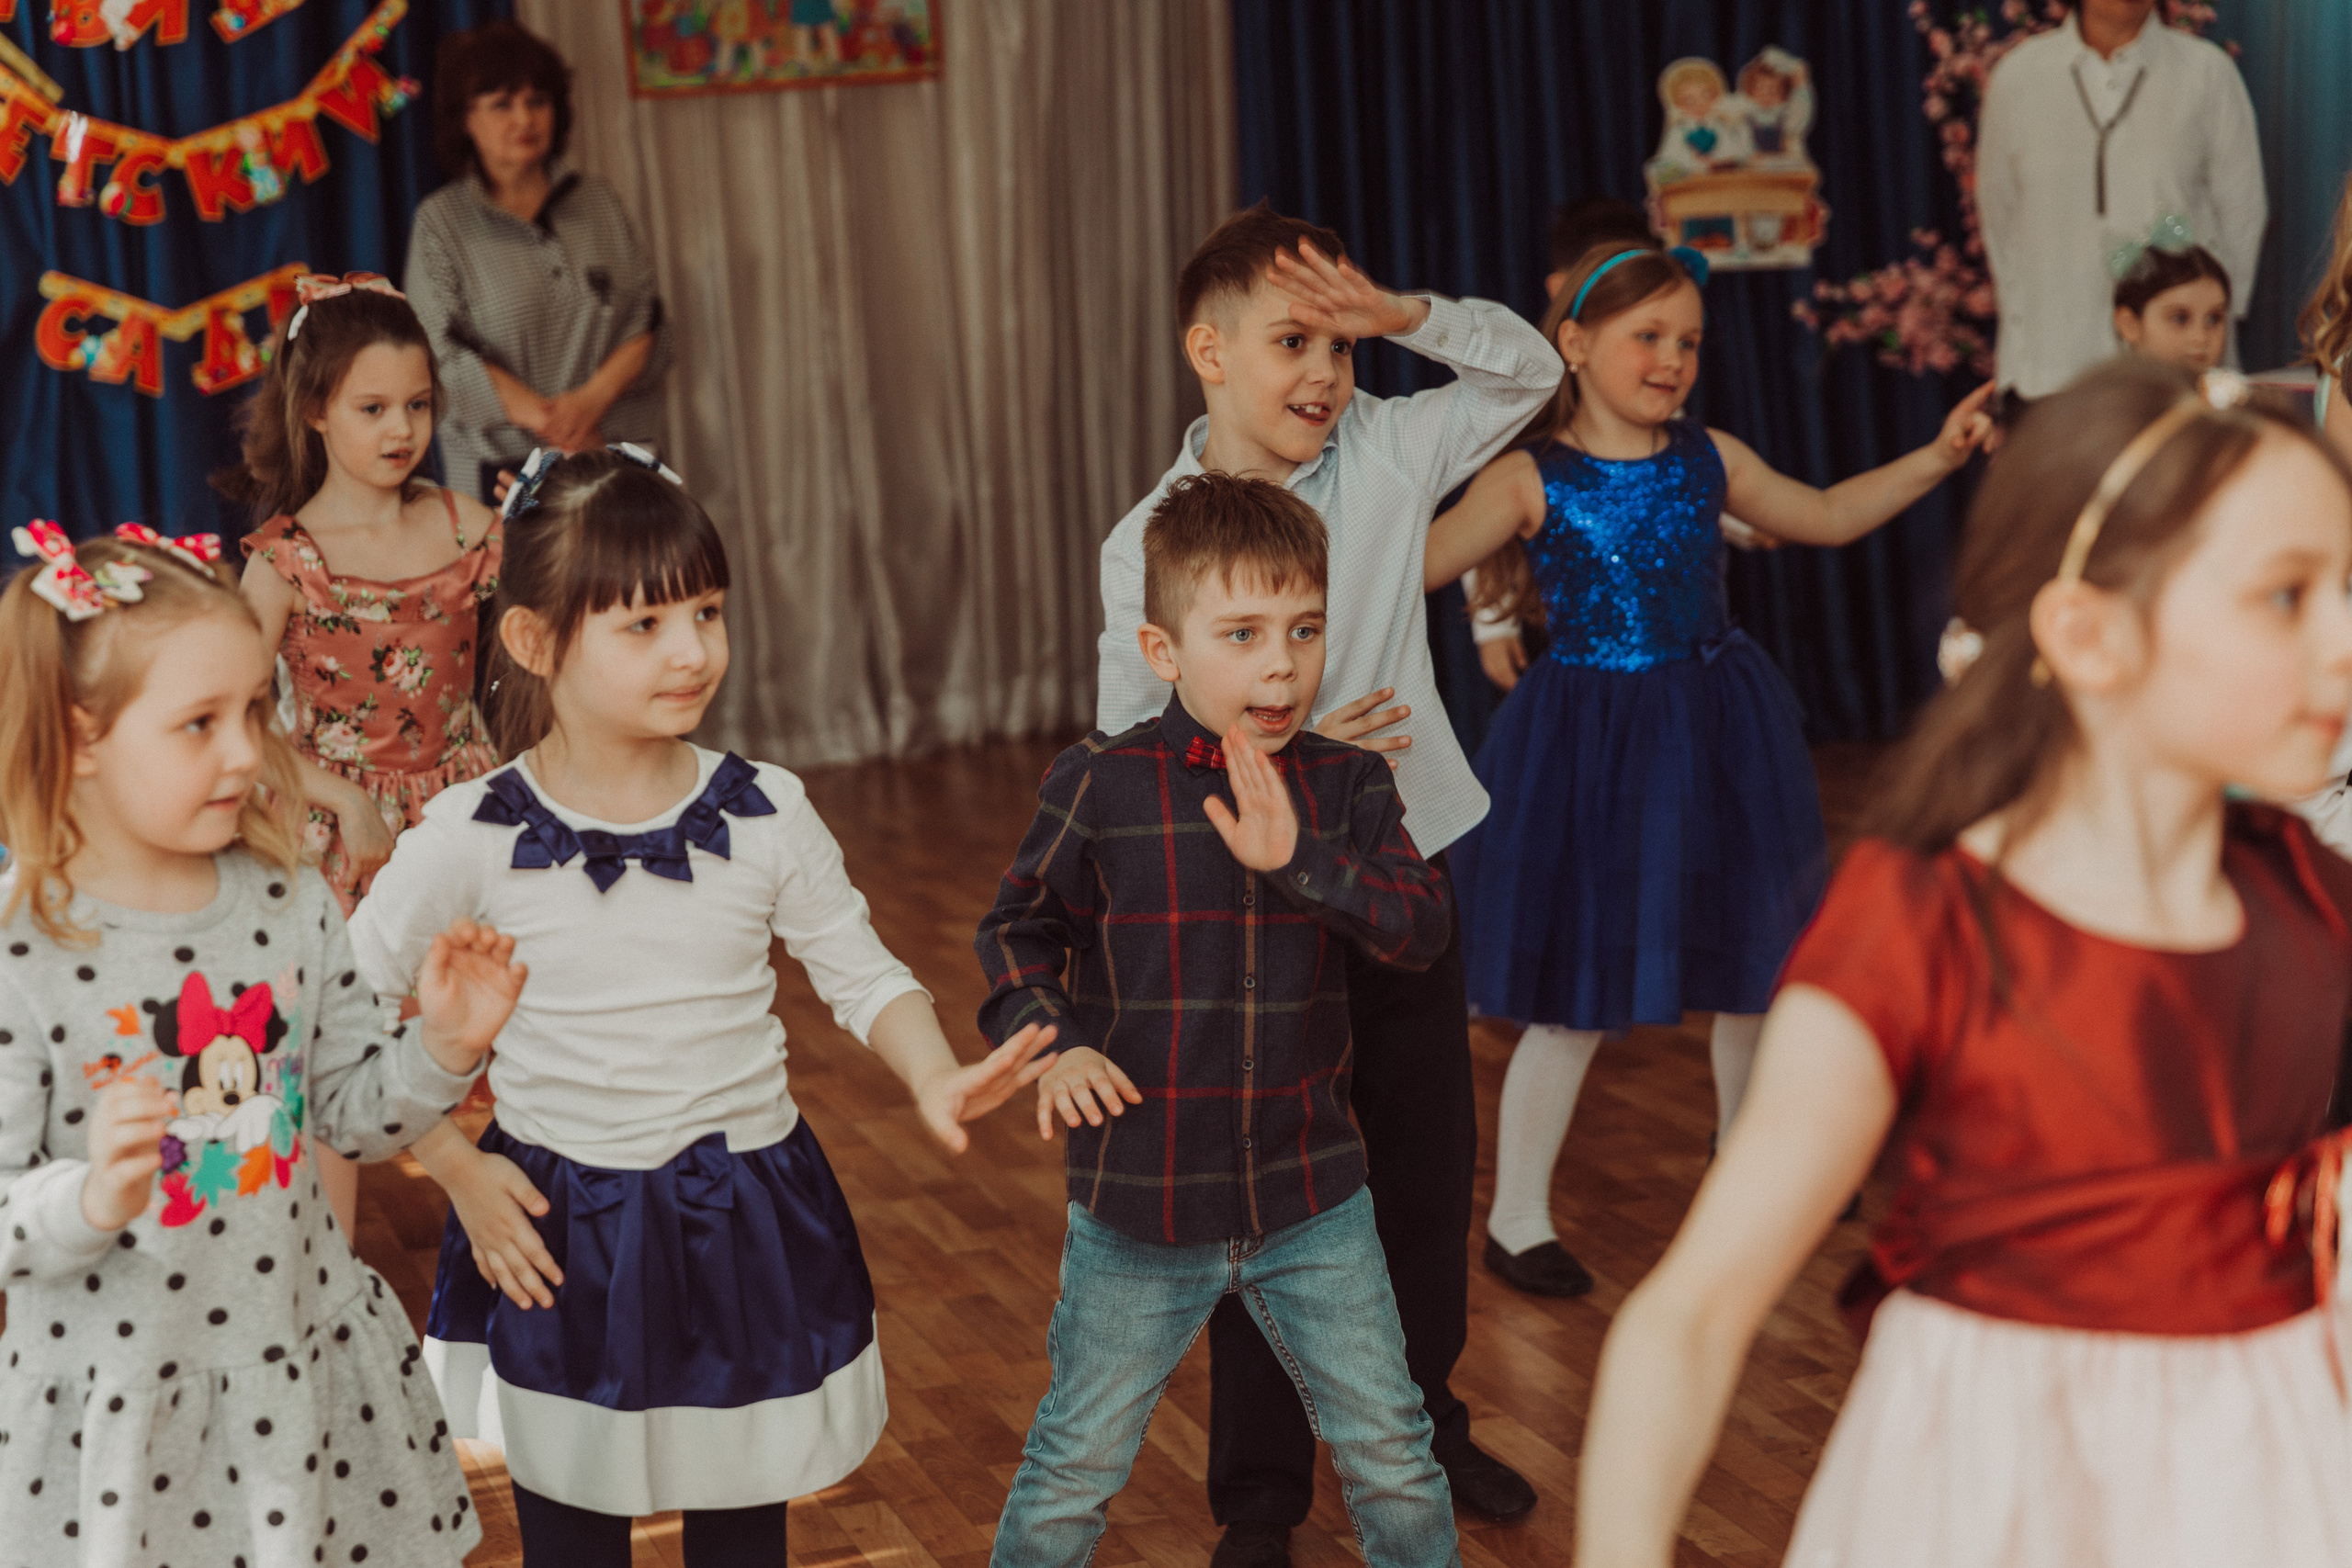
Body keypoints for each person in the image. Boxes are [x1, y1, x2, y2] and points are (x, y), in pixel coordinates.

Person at [1573, 356, 2352, 1566]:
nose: (2347, 637)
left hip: (2257, 1486)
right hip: (1991, 1501)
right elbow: (1693, 1312)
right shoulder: (1923, 925)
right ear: (2089, 633)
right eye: (2289, 595)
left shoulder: (2315, 901)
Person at [343, 446, 1057, 1567]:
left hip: (745, 1221)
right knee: (572, 1537)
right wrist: (459, 1168)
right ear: (533, 641)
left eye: (708, 613)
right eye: (644, 625)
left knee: (740, 1534)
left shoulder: (768, 810)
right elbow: (343, 1018)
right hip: (554, 1231)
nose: (692, 651)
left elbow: (863, 974)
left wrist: (931, 1072)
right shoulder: (467, 835)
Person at [1094, 201, 1562, 1562]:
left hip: (1411, 857)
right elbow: (1139, 747)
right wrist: (1274, 748)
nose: (1322, 372)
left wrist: (1401, 316)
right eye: (1292, 340)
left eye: (1338, 345)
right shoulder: (1149, 537)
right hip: (1258, 894)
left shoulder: (1397, 443)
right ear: (1209, 350)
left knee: (1421, 1169)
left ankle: (1423, 1419)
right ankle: (1258, 1497)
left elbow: (1531, 373)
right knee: (1271, 1193)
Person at [1426, 243, 1993, 1297]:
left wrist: (1939, 458)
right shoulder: (1525, 477)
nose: (1673, 359)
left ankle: (1746, 1166)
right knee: (1575, 986)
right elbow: (1413, 567)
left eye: (1688, 342)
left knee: (1754, 963)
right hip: (1592, 740)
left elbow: (1822, 515)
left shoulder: (1709, 458)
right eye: (1649, 337)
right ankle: (1515, 1217)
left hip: (1719, 725)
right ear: (1577, 345)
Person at [0, 524, 526, 1564]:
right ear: (83, 735)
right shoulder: (25, 947)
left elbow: (350, 1111)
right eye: (199, 724)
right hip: (124, 1405)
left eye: (255, 710)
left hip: (296, 1372)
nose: (248, 752)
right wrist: (92, 1196)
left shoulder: (285, 903)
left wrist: (445, 1046)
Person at [979, 473, 1460, 1568]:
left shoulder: (1349, 789)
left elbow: (1417, 930)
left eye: (1304, 629)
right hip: (1139, 1209)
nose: (1281, 664)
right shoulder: (1097, 784)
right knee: (1073, 1469)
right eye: (1240, 634)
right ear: (1163, 650)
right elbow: (1017, 931)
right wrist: (1055, 1042)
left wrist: (1302, 860)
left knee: (1391, 1451)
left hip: (1313, 1200)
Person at [227, 270, 503, 1239]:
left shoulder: (471, 529)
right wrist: (343, 798)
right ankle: (325, 1281)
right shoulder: (283, 559)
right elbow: (234, 713)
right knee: (333, 1063)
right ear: (314, 411)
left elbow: (545, 658)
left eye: (419, 406)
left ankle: (525, 1256)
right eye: (373, 407)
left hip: (469, 813)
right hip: (336, 836)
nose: (402, 430)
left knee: (500, 1029)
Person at [405, 20, 673, 504]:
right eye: (502, 104)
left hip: (616, 462)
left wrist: (589, 406)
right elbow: (435, 356)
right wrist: (554, 425)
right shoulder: (441, 223)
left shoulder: (599, 203)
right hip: (501, 479)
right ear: (464, 119)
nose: (525, 119)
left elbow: (649, 322)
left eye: (537, 101)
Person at [1975, 0, 2265, 398]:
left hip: (2175, 374)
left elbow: (2242, 215)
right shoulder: (2020, 76)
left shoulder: (2206, 72)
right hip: (2049, 366)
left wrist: (2200, 327)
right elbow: (2001, 223)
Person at [2109, 217, 2232, 373]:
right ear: (2130, 325)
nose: (2200, 337)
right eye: (2180, 318)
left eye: (2214, 319)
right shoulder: (2113, 397)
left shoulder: (2232, 394)